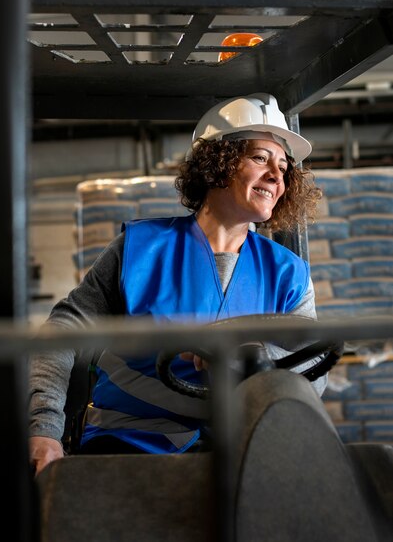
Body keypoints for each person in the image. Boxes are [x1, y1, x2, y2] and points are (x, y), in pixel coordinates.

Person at [29, 92, 325, 477]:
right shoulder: (138, 250)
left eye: (284, 167)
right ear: (217, 162)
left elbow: (312, 373)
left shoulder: (289, 273)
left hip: (245, 452)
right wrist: (45, 428)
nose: (276, 176)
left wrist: (252, 358)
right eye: (260, 158)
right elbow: (61, 335)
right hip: (129, 450)